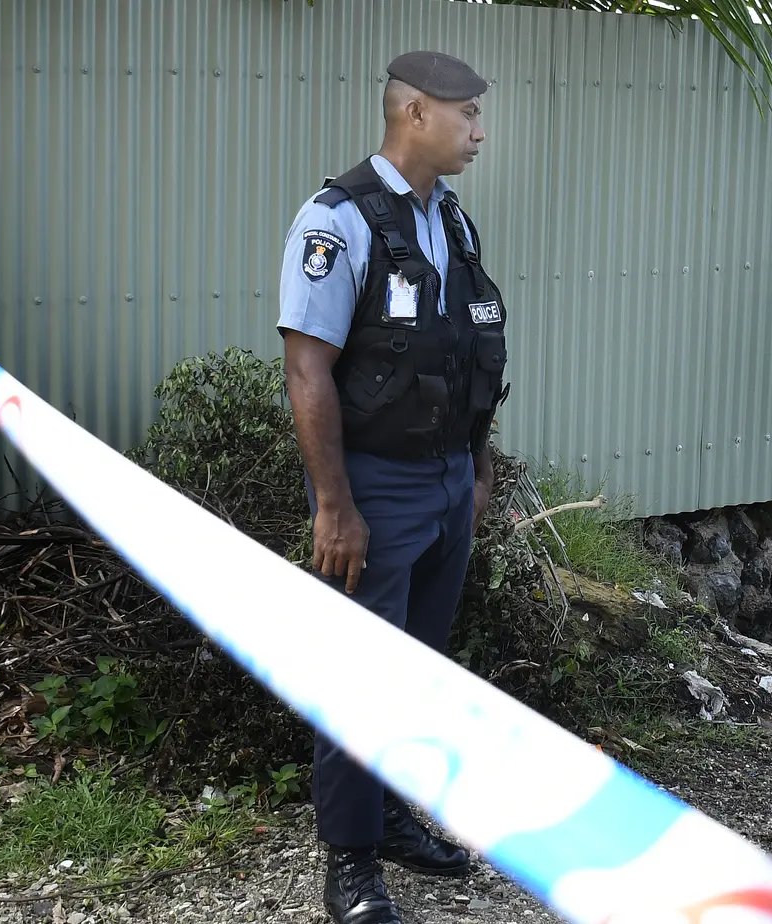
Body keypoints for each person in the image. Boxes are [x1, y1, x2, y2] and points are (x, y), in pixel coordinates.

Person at [275, 50, 509, 924]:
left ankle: (394, 821)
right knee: (359, 676)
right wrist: (335, 505)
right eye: (467, 116)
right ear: (413, 112)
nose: (480, 132)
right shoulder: (337, 222)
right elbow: (308, 373)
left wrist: (476, 468)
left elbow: (464, 350)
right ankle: (350, 865)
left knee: (419, 671)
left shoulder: (452, 221)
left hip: (447, 483)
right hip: (374, 484)